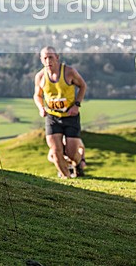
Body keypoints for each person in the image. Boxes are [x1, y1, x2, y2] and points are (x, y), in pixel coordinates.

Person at [34, 47, 87, 178]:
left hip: (70, 115)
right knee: (55, 150)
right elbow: (37, 95)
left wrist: (77, 105)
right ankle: (67, 178)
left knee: (71, 152)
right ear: (41, 60)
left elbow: (82, 86)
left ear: (57, 57)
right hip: (52, 116)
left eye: (50, 57)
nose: (48, 61)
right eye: (45, 58)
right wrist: (41, 108)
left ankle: (79, 163)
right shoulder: (40, 76)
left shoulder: (69, 72)